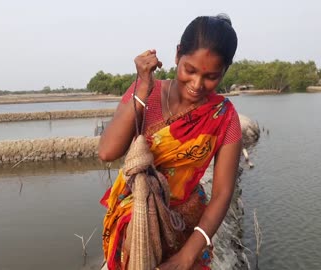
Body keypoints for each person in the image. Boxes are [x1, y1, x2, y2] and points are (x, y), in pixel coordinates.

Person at [98, 14, 242, 270]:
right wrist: (143, 87)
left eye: (211, 76)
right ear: (177, 55)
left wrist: (188, 256)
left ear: (224, 72)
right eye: (190, 70)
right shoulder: (144, 93)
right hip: (137, 222)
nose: (197, 84)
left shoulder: (224, 116)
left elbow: (222, 193)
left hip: (185, 227)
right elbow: (108, 151)